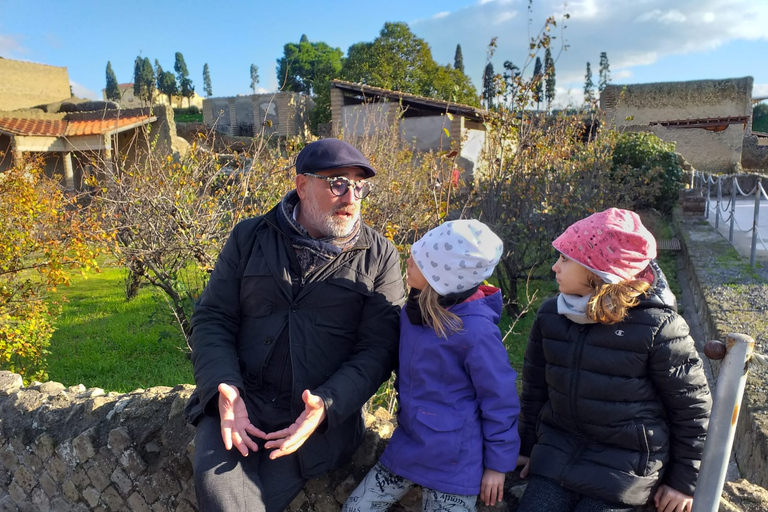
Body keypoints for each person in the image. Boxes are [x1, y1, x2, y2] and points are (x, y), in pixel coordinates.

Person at [184, 138, 406, 512]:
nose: (351, 197)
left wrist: (327, 404)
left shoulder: (380, 256)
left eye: (359, 185)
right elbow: (213, 317)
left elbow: (379, 348)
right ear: (302, 185)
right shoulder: (249, 236)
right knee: (221, 495)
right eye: (338, 183)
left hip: (313, 422)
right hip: (241, 403)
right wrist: (224, 387)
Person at [516, 208, 712, 512]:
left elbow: (692, 411)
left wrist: (684, 482)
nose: (555, 267)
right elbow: (535, 391)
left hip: (625, 468)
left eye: (565, 259)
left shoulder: (658, 328)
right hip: (557, 454)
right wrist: (526, 448)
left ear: (598, 272)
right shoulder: (551, 315)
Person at [343, 220, 521, 512]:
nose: (408, 260)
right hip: (409, 446)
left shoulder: (475, 332)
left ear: (443, 278)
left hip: (456, 462)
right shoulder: (413, 313)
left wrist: (498, 466)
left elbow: (499, 400)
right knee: (355, 508)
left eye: (420, 260)